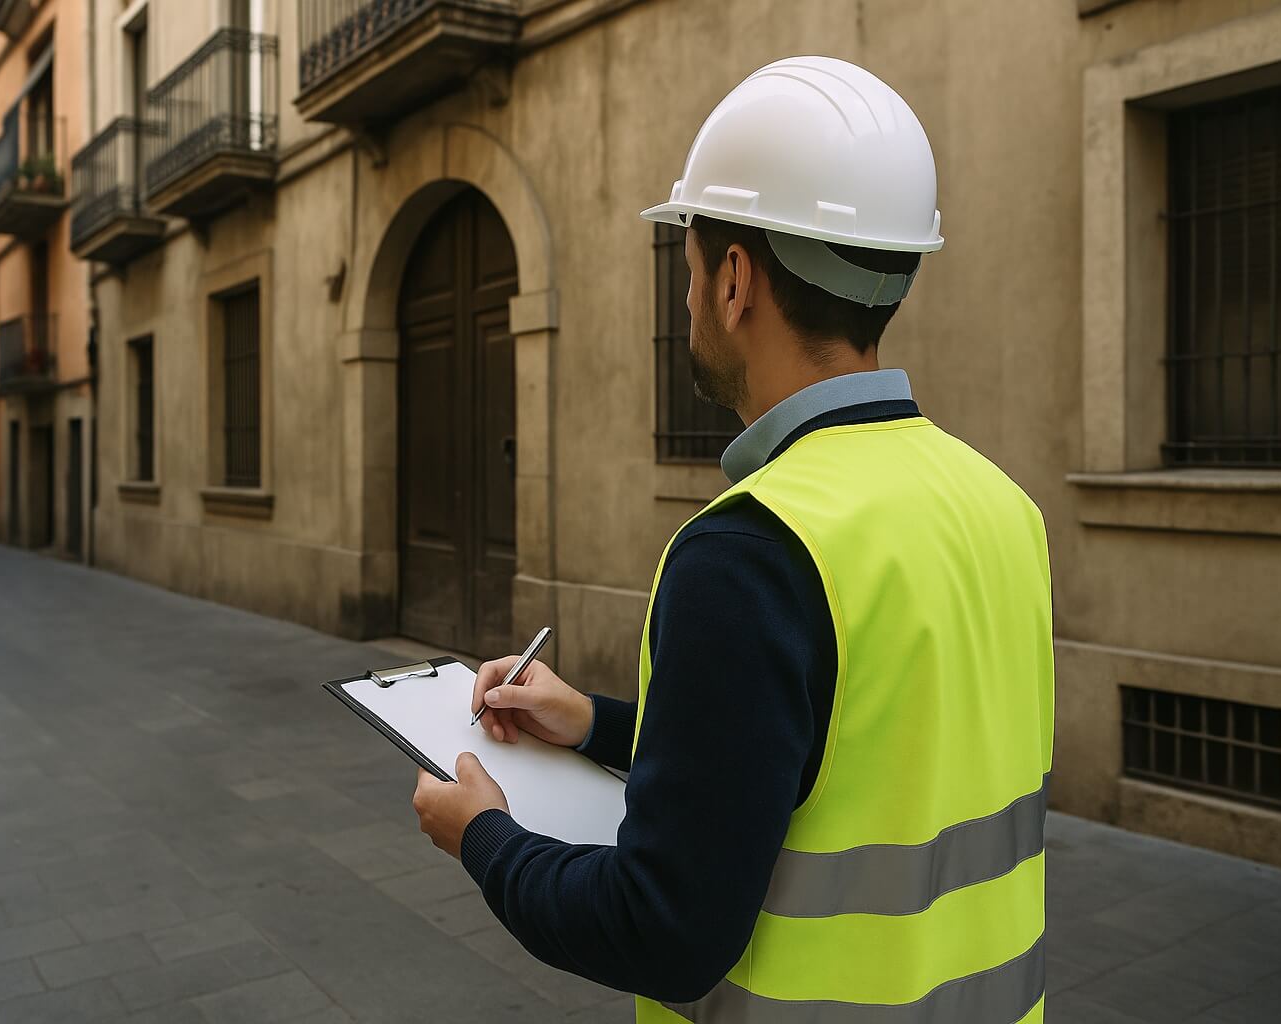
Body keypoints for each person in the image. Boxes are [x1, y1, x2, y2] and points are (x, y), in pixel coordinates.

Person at [413, 56, 1054, 1024]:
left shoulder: (748, 552)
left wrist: (484, 836)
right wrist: (598, 721)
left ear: (734, 281)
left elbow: (661, 929)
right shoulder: (1002, 505)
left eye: (689, 267)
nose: (687, 300)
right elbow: (837, 749)